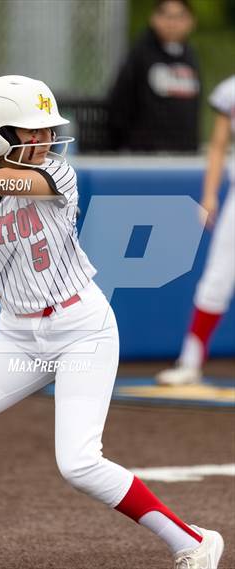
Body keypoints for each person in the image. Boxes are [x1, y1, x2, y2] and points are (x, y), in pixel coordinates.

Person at [0, 76, 223, 569]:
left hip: (81, 329)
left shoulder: (57, 174)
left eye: (46, 129)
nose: (45, 139)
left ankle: (195, 542)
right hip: (19, 335)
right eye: (30, 131)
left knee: (79, 464)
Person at [156, 75, 235, 385]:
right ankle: (190, 361)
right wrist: (210, 194)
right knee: (217, 277)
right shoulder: (230, 89)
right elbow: (217, 146)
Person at [108, 0, 200, 152]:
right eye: (167, 16)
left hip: (183, 154)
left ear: (190, 22)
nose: (172, 23)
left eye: (179, 17)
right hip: (144, 156)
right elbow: (120, 103)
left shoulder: (190, 56)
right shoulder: (140, 55)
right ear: (154, 18)